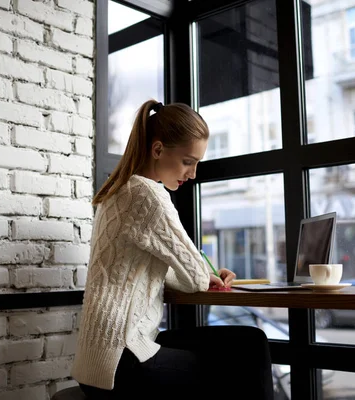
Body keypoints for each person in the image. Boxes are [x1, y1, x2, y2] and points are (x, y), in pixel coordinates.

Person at [71, 99, 274, 400]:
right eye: (187, 161)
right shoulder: (148, 195)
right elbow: (193, 278)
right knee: (244, 355)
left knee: (248, 341)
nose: (192, 174)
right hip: (122, 362)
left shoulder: (118, 191)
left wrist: (208, 274)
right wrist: (206, 273)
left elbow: (161, 273)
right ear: (157, 150)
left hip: (100, 359)